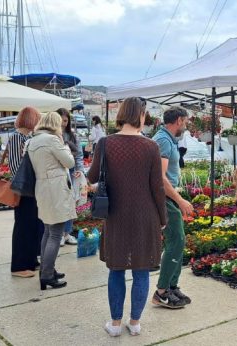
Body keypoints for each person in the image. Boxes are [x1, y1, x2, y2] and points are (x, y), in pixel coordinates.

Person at [87, 96, 167, 337]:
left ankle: (114, 324)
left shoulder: (105, 143)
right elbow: (157, 187)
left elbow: (91, 177)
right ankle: (135, 322)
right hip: (146, 216)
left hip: (115, 215)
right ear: (140, 115)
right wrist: (163, 218)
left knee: (117, 269)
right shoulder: (151, 146)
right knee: (141, 270)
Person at [152, 105, 194, 309]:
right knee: (176, 241)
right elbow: (160, 178)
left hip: (167, 197)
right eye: (185, 122)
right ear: (178, 120)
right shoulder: (163, 140)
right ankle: (162, 291)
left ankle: (171, 286)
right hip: (165, 198)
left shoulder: (167, 139)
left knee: (178, 241)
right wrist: (180, 200)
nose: (185, 126)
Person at [28, 111, 75, 290]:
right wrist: (64, 145)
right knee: (55, 233)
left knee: (48, 231)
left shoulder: (32, 140)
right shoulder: (53, 140)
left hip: (42, 188)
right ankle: (47, 275)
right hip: (56, 189)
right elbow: (69, 162)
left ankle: (47, 270)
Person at [8, 107, 45, 278]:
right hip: (23, 189)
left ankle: (30, 260)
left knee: (32, 226)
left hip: (30, 188)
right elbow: (16, 166)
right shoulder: (17, 138)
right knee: (23, 226)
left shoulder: (26, 137)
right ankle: (19, 265)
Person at [55, 108, 83, 246]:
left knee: (71, 202)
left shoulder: (73, 136)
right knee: (59, 202)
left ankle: (67, 233)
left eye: (65, 121)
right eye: (60, 120)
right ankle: (59, 233)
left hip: (71, 171)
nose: (63, 123)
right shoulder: (51, 135)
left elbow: (78, 155)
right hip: (57, 172)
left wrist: (80, 170)